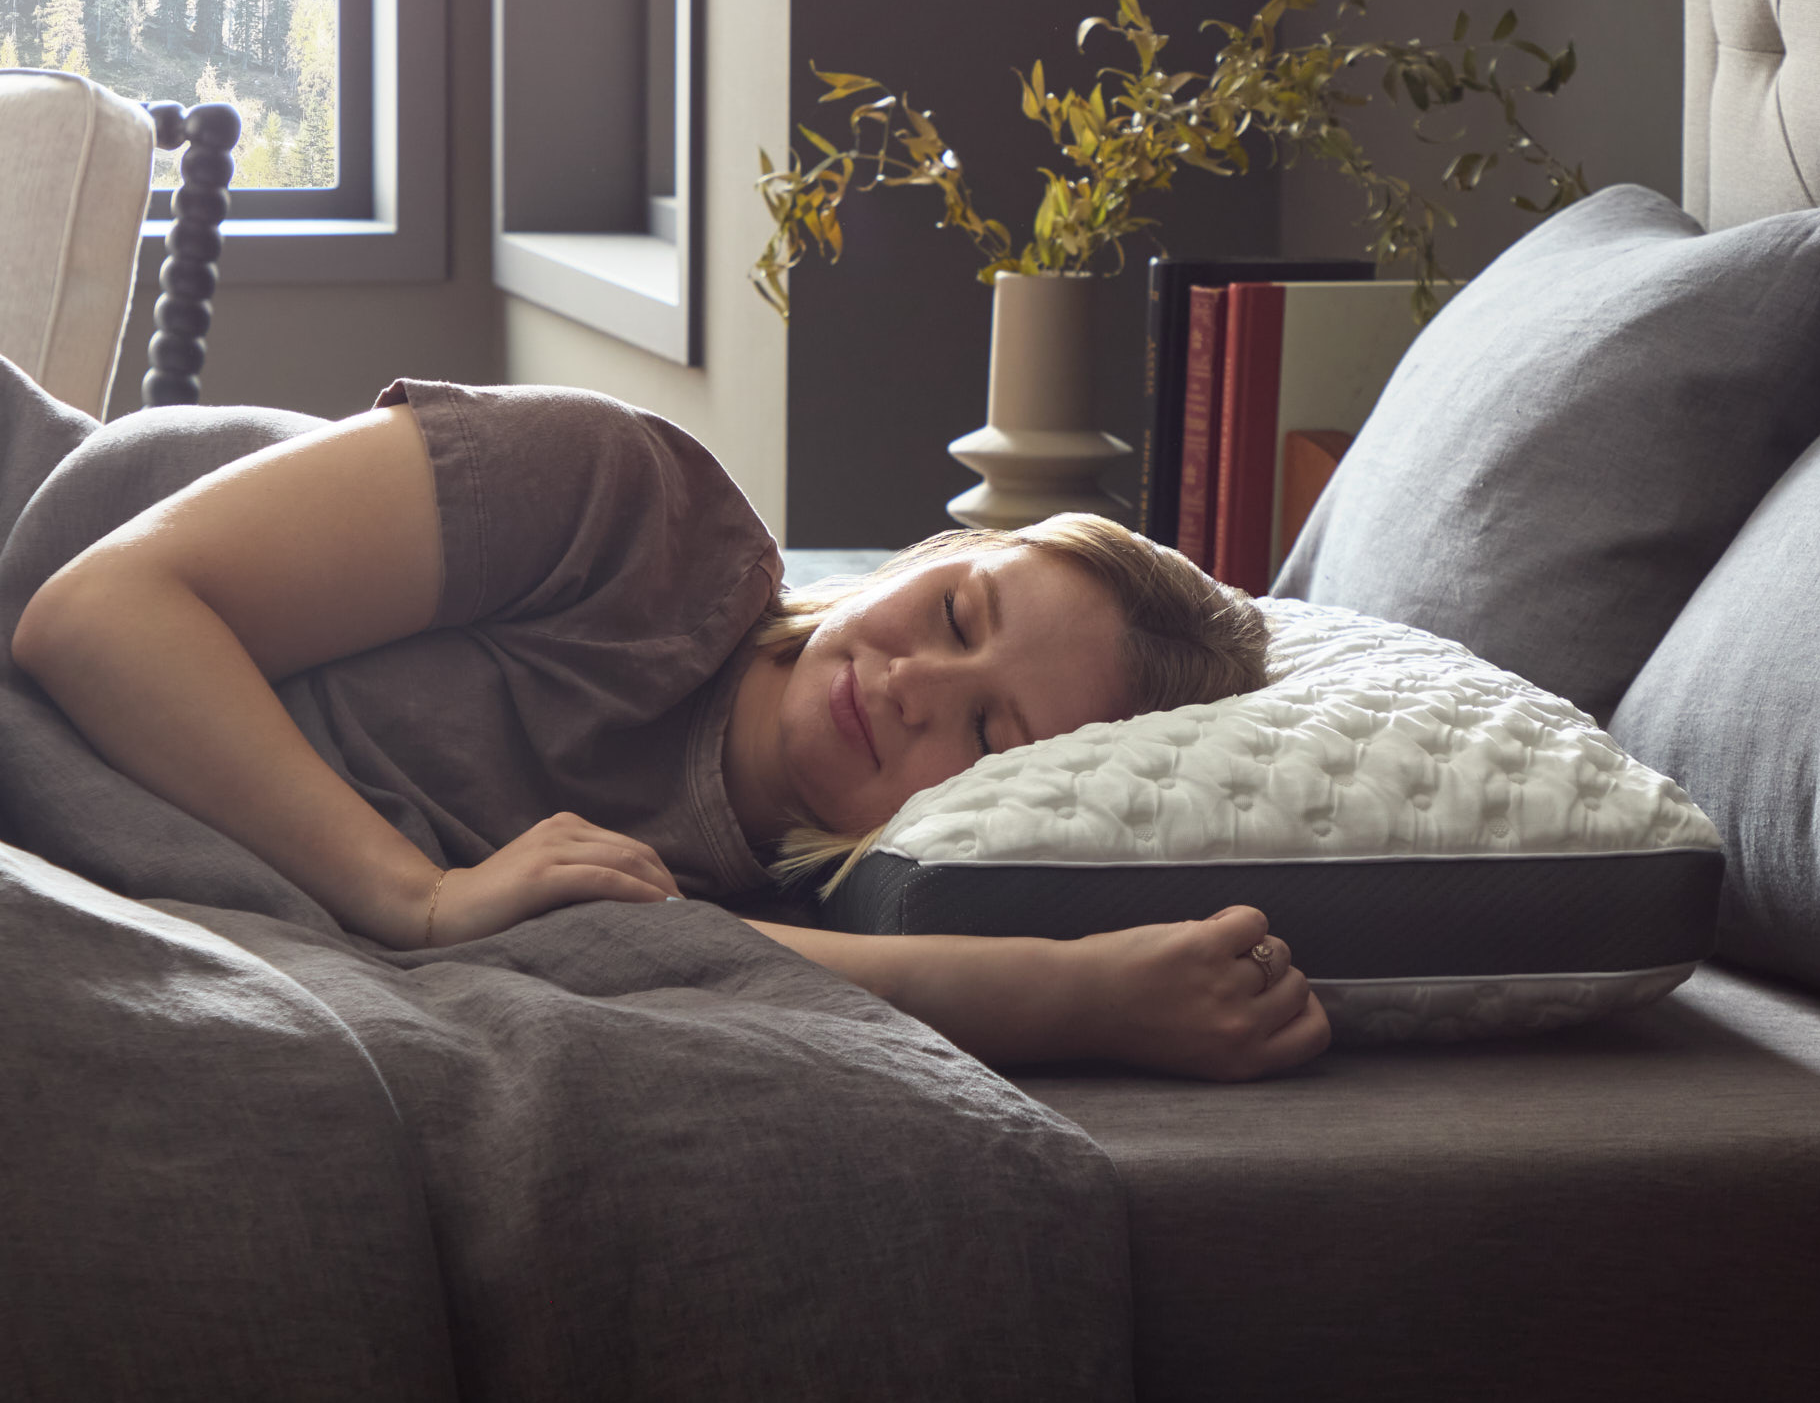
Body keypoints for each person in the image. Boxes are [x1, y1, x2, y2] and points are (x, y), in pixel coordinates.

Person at [12, 379, 1331, 1081]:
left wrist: (1094, 993)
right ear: (927, 554)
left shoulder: (750, 889)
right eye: (956, 608)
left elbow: (699, 950)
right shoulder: (624, 501)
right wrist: (412, 895)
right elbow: (99, 610)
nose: (917, 677)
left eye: (988, 732)